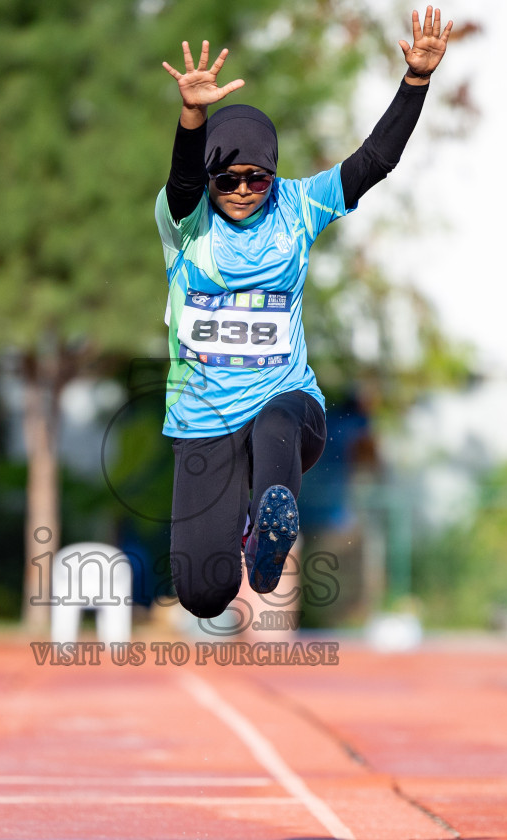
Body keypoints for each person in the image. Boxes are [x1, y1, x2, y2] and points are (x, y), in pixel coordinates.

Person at [157, 9, 452, 619]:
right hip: (203, 417)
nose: (241, 189)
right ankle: (240, 544)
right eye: (228, 178)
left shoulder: (298, 205)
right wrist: (192, 117)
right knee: (203, 595)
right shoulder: (184, 221)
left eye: (256, 178)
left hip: (286, 405)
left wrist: (415, 83)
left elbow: (374, 161)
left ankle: (272, 531)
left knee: (276, 422)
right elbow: (184, 181)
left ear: (273, 173)